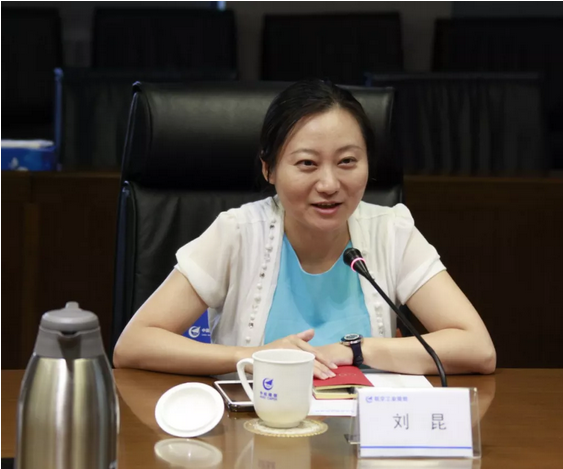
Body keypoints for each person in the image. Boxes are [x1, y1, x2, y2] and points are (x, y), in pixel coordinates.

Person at [113, 79, 496, 379]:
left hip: (362, 435)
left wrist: (355, 350)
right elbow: (134, 345)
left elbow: (477, 349)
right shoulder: (238, 233)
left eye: (347, 161)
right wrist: (253, 357)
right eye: (307, 164)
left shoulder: (390, 231)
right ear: (269, 169)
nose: (329, 184)